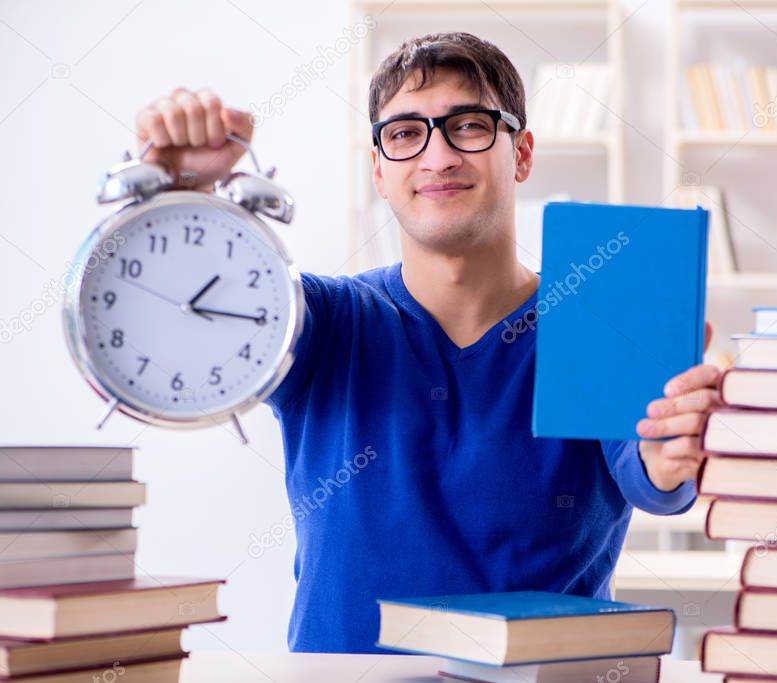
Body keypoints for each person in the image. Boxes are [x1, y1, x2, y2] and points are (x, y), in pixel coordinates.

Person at [134, 31, 721, 654]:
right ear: (380, 170)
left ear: (521, 154)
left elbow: (652, 476)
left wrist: (672, 450)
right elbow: (180, 316)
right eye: (406, 133)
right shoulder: (327, 322)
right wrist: (178, 196)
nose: (437, 156)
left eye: (468, 126)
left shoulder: (599, 322)